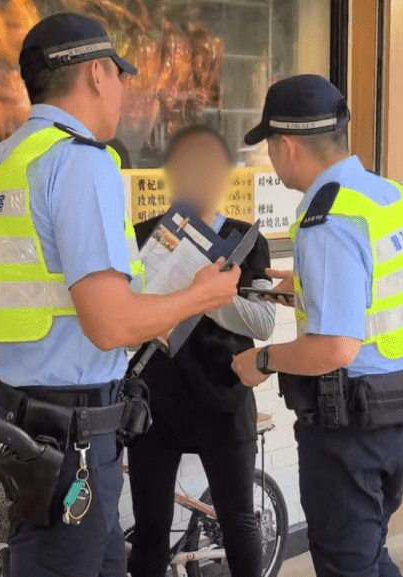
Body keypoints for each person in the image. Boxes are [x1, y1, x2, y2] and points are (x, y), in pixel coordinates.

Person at [0, 14, 240, 577]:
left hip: (20, 422)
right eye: (119, 76)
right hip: (70, 440)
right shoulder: (80, 162)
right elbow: (110, 325)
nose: (122, 89)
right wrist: (198, 295)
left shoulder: (0, 164)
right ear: (95, 73)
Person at [231, 75, 403, 577]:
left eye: (268, 147)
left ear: (286, 147)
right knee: (368, 553)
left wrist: (260, 360)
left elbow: (335, 347)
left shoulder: (326, 221)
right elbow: (375, 296)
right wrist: (298, 286)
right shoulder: (387, 197)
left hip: (355, 428)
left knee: (347, 562)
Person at [127, 124, 275, 577]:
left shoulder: (246, 240)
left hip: (225, 403)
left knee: (238, 524)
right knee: (151, 529)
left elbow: (264, 323)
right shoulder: (143, 236)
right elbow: (127, 321)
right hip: (154, 406)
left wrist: (208, 295)